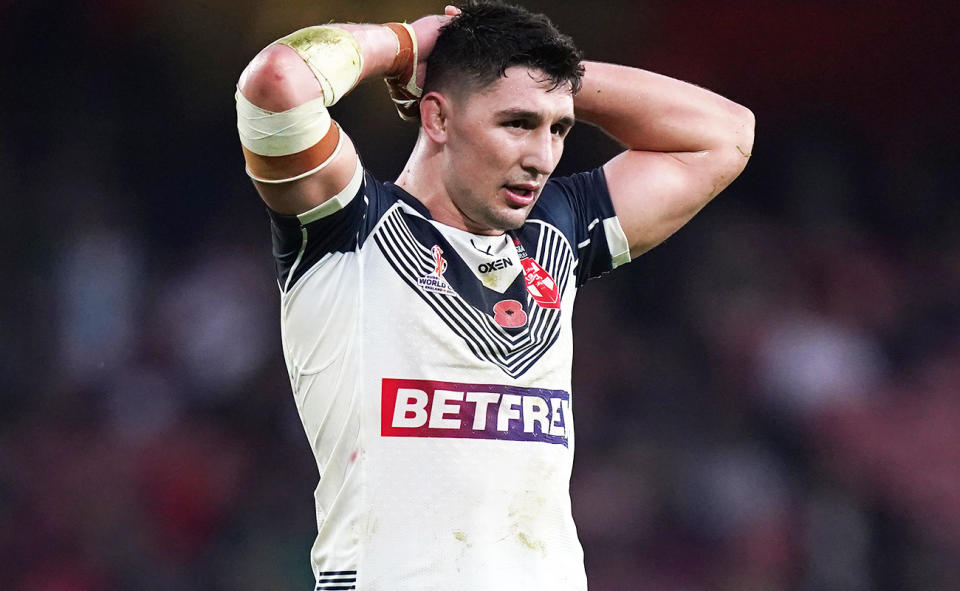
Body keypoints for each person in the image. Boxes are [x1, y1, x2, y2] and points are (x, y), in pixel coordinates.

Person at [235, 2, 753, 589]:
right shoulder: (346, 230)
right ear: (437, 118)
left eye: (559, 127)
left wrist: (548, 77)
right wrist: (408, 45)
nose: (542, 157)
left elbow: (726, 134)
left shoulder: (555, 231)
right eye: (516, 123)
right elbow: (278, 81)